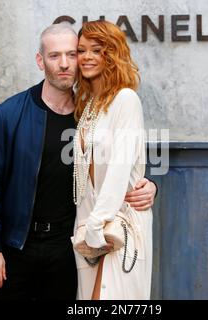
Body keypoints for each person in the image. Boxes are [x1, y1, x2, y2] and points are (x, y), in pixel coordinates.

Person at [0, 23, 157, 300]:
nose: (65, 64)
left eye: (72, 54)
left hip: (70, 247)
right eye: (54, 56)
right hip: (17, 248)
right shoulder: (8, 115)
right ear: (40, 60)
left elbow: (115, 162)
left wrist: (149, 185)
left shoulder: (90, 114)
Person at [72, 21, 152, 300]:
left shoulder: (126, 100)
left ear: (112, 54)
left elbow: (120, 169)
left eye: (97, 49)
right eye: (81, 50)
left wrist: (96, 224)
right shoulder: (89, 105)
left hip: (119, 226)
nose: (87, 57)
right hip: (89, 229)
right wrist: (88, 227)